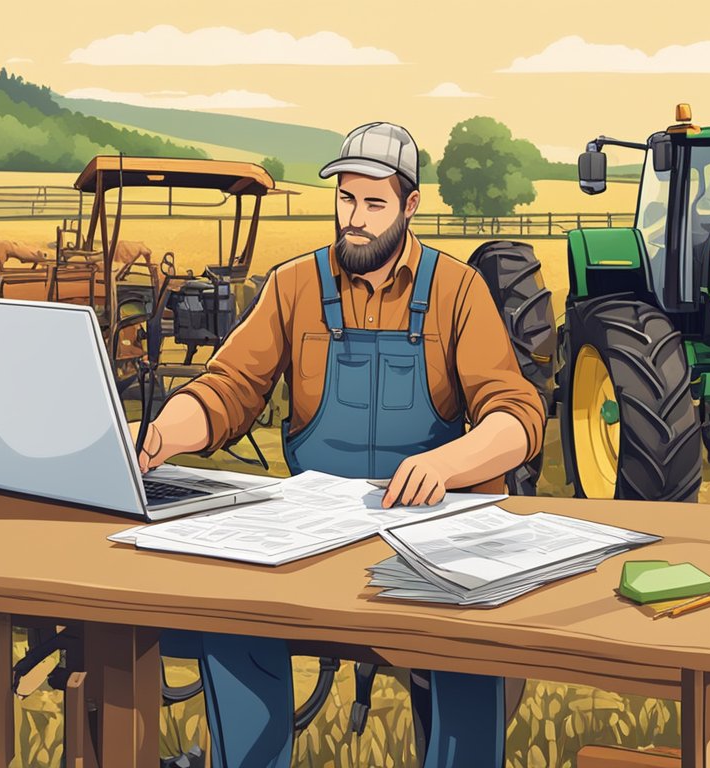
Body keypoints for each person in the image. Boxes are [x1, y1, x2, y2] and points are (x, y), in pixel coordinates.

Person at [137, 121, 546, 768]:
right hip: (312, 533)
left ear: (410, 206)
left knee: (469, 647)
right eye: (346, 199)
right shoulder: (294, 286)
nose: (354, 220)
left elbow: (518, 417)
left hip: (429, 536)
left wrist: (447, 463)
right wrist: (163, 435)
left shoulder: (457, 291)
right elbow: (229, 389)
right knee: (230, 615)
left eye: (374, 203)